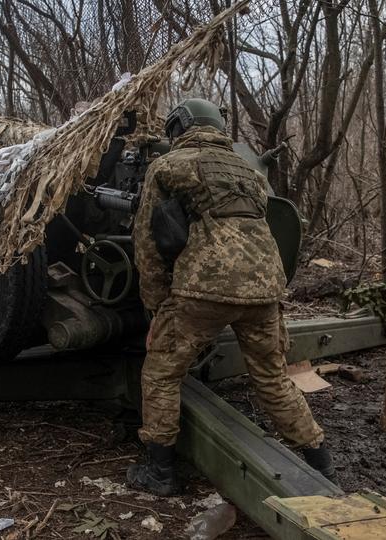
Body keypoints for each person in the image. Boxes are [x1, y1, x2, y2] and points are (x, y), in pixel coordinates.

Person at [127, 98, 335, 495]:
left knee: (161, 374)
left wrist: (156, 306)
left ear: (179, 129)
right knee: (272, 379)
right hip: (265, 288)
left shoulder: (169, 165)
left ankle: (160, 473)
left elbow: (147, 242)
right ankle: (322, 465)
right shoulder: (249, 170)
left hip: (204, 288)